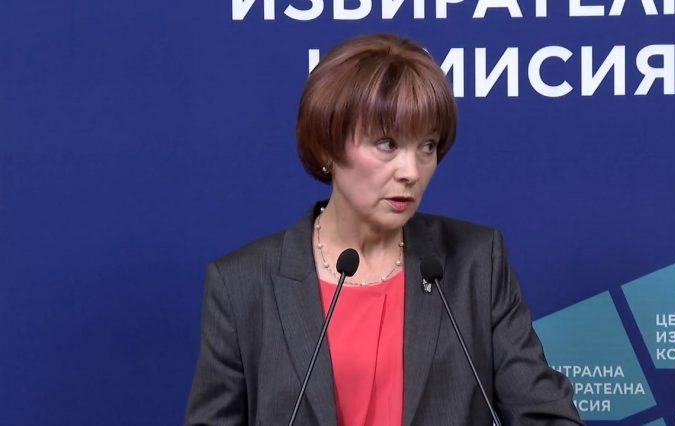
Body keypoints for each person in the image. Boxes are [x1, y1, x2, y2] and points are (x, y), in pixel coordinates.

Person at [185, 33, 583, 426]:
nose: (411, 172)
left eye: (427, 146)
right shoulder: (241, 285)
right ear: (326, 148)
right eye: (387, 144)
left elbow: (547, 416)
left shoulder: (477, 262)